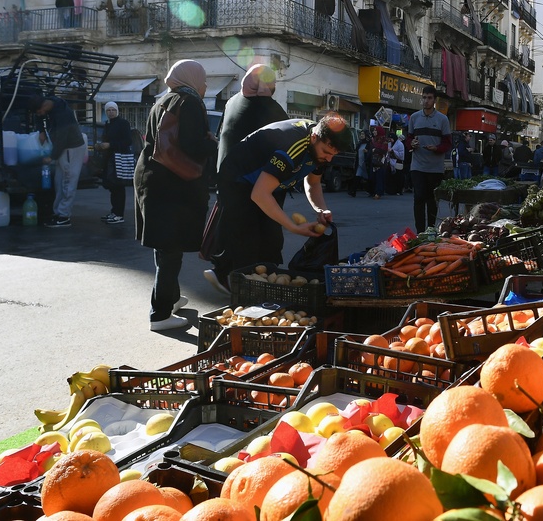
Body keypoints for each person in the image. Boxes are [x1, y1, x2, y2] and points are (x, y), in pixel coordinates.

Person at [205, 114, 354, 293]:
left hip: (269, 184)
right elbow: (260, 194)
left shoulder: (321, 147)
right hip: (238, 179)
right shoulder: (292, 147)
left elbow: (313, 183)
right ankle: (232, 282)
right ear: (314, 137)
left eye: (333, 155)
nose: (329, 159)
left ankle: (255, 283)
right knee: (246, 237)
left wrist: (320, 209)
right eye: (326, 153)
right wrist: (292, 226)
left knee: (272, 241)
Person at [135, 59, 218, 331]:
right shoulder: (189, 102)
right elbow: (192, 144)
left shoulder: (163, 100)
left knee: (164, 247)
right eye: (203, 78)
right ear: (192, 78)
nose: (205, 85)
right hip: (172, 186)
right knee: (171, 249)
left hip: (153, 180)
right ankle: (159, 315)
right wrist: (212, 142)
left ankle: (169, 298)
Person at [30, 93, 86, 228]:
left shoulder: (63, 114)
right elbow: (38, 117)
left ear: (44, 105)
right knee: (59, 181)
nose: (40, 114)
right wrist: (41, 130)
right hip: (63, 148)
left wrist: (52, 157)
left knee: (68, 181)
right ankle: (58, 213)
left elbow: (62, 139)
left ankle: (64, 216)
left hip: (70, 148)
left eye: (40, 111)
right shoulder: (49, 105)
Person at [217, 63, 288, 170]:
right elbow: (290, 137)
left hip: (223, 174)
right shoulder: (268, 107)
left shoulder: (231, 101)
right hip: (248, 180)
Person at [406, 85, 452, 233]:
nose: (426, 101)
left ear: (434, 100)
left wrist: (437, 148)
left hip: (435, 167)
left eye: (429, 98)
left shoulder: (442, 119)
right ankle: (420, 232)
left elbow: (448, 143)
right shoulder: (414, 118)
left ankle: (431, 230)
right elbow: (409, 139)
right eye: (424, 97)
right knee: (418, 198)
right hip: (417, 166)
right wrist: (411, 144)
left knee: (432, 200)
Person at [97, 101, 133, 225]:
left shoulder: (123, 123)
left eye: (113, 110)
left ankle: (119, 214)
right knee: (112, 187)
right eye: (108, 110)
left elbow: (128, 141)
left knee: (118, 187)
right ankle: (114, 212)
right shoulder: (107, 125)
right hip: (110, 159)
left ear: (117, 111)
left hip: (119, 159)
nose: (111, 112)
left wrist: (111, 145)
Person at [369, 125, 389, 199]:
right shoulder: (373, 140)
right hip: (374, 161)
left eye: (375, 130)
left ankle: (378, 193)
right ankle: (373, 191)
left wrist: (375, 150)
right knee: (372, 177)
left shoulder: (384, 140)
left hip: (381, 162)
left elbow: (384, 150)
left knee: (379, 177)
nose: (374, 132)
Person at [348, 131, 370, 197]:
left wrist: (367, 152)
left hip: (366, 164)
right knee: (357, 177)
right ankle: (353, 191)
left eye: (363, 134)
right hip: (360, 164)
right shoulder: (360, 143)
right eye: (361, 134)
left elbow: (371, 153)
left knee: (368, 178)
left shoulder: (369, 144)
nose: (361, 135)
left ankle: (371, 190)